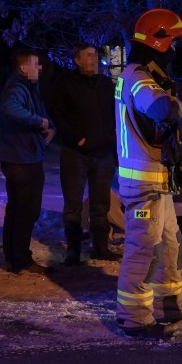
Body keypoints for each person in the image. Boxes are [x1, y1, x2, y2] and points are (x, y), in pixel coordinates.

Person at [114, 8, 182, 339]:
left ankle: (169, 307)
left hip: (157, 181)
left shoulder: (145, 75)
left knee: (169, 245)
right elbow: (162, 109)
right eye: (174, 44)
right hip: (143, 183)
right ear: (159, 42)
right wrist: (177, 105)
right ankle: (134, 318)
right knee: (144, 250)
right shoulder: (137, 77)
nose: (178, 52)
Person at [49, 43, 121, 265]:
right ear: (77, 60)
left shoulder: (106, 85)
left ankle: (100, 248)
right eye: (89, 56)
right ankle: (73, 251)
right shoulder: (65, 84)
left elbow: (115, 114)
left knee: (101, 205)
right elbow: (57, 114)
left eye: (95, 56)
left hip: (103, 154)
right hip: (75, 154)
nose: (94, 59)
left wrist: (112, 142)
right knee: (73, 205)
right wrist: (75, 138)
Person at [0, 48, 57, 275]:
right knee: (25, 211)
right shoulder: (17, 87)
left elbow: (42, 114)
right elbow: (10, 108)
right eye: (35, 64)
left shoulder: (29, 87)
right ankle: (21, 260)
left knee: (17, 210)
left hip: (23, 157)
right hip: (21, 160)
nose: (39, 68)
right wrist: (37, 121)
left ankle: (13, 258)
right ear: (24, 68)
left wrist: (49, 125)